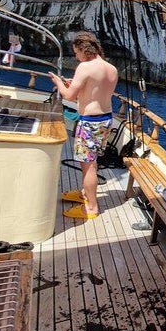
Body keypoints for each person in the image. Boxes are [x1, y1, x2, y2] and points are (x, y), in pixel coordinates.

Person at [49, 31, 118, 220]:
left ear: (82, 49)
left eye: (76, 53)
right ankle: (85, 194)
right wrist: (73, 85)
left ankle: (92, 208)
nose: (76, 57)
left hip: (90, 123)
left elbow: (69, 96)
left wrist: (58, 82)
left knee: (88, 166)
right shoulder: (111, 68)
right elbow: (95, 92)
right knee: (92, 161)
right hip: (105, 119)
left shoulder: (84, 67)